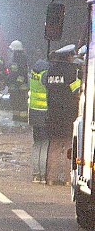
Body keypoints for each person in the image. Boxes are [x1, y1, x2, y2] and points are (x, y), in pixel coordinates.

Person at [43, 44, 81, 185]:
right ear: (69, 56)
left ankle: (51, 178)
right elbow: (77, 91)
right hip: (68, 114)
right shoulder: (72, 71)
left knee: (54, 147)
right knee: (68, 148)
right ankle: (66, 179)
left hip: (52, 114)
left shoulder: (50, 71)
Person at [28, 55, 50, 183]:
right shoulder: (45, 74)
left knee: (36, 144)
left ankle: (36, 174)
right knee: (45, 144)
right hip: (44, 114)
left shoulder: (34, 72)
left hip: (34, 113)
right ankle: (43, 174)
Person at [6, 40, 30, 124]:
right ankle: (16, 118)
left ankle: (22, 120)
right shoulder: (13, 58)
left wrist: (17, 83)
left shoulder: (22, 58)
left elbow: (23, 72)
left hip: (20, 87)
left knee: (21, 103)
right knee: (14, 103)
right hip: (14, 86)